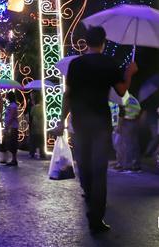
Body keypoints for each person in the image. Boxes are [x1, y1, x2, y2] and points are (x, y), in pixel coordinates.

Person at [60, 25, 137, 235]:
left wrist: (61, 120)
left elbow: (68, 94)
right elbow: (122, 92)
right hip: (101, 122)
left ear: (86, 41)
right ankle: (96, 218)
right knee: (99, 170)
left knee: (84, 164)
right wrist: (129, 73)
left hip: (81, 122)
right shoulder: (109, 63)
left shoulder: (75, 64)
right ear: (103, 42)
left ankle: (87, 190)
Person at [114, 91, 142, 172]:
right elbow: (139, 109)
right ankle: (137, 166)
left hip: (126, 123)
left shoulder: (123, 99)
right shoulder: (133, 98)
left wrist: (119, 126)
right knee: (135, 145)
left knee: (127, 145)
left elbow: (121, 113)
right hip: (134, 122)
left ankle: (128, 166)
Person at [2, 91, 20, 167]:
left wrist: (7, 127)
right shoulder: (11, 105)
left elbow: (11, 116)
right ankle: (10, 159)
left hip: (12, 127)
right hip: (11, 127)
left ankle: (13, 159)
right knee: (9, 143)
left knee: (12, 143)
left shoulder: (12, 106)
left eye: (7, 96)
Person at [28, 92, 45, 158]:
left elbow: (31, 114)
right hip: (41, 126)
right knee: (41, 141)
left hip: (35, 126)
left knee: (33, 141)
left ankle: (32, 152)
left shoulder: (34, 108)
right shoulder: (42, 108)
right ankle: (42, 153)